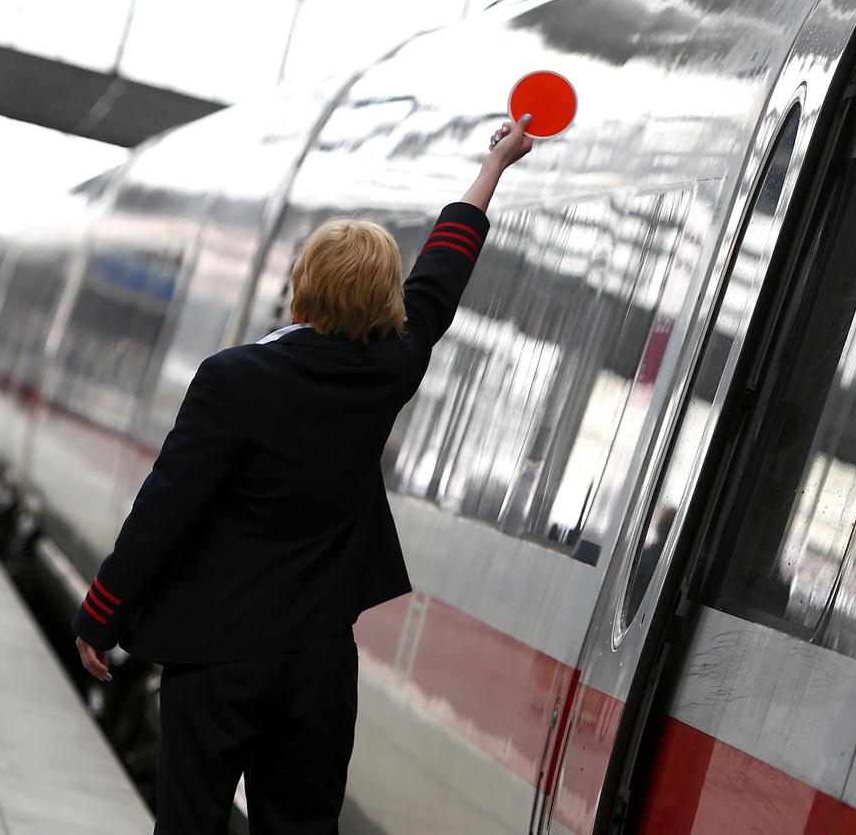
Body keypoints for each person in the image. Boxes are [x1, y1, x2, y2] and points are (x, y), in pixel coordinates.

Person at [70, 114, 535, 834]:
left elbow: (166, 508)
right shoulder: (389, 369)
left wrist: (102, 611)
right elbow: (442, 275)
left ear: (302, 287)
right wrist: (494, 167)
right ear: (386, 301)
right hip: (317, 661)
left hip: (217, 652)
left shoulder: (234, 378)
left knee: (189, 820)